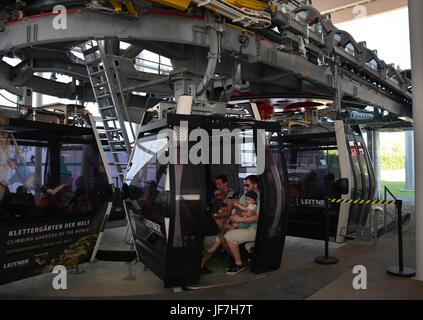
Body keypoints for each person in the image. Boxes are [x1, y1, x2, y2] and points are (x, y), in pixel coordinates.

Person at [223, 175, 260, 275]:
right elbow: (238, 210)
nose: (245, 187)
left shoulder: (259, 197)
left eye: (247, 185)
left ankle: (239, 264)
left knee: (228, 236)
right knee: (223, 236)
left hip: (255, 228)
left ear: (255, 185)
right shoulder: (245, 196)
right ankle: (237, 259)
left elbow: (256, 217)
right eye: (244, 185)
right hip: (244, 225)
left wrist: (240, 218)